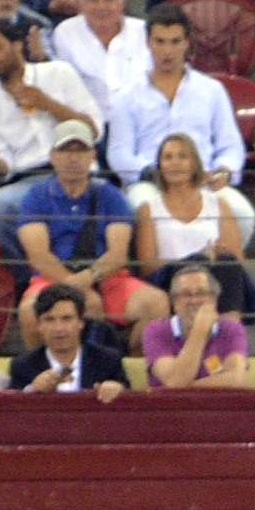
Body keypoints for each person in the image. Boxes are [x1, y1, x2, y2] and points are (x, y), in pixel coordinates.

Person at [108, 2, 255, 251]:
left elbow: (230, 145)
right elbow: (118, 152)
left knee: (242, 212)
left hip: (203, 179)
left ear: (187, 42)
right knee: (138, 207)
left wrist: (225, 170)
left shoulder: (211, 90)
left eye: (175, 41)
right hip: (151, 181)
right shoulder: (126, 96)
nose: (167, 50)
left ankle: (217, 272)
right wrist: (151, 172)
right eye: (160, 41)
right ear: (148, 42)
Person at [15, 117, 166, 348]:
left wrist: (86, 281)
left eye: (80, 150)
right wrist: (73, 289)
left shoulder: (110, 195)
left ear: (92, 156)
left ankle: (132, 368)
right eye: (65, 150)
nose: (73, 158)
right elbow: (39, 256)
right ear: (52, 157)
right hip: (52, 279)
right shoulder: (36, 197)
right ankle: (42, 374)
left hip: (106, 278)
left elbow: (117, 254)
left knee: (156, 303)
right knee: (28, 310)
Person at [0, 11, 99, 251]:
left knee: (126, 206)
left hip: (79, 171)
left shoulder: (58, 72)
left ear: (17, 44)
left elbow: (94, 131)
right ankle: (28, 276)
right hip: (27, 180)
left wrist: (49, 105)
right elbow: (7, 164)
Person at [132, 131, 255, 316]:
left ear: (194, 163)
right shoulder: (148, 209)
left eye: (182, 156)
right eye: (168, 157)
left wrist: (218, 253)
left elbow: (236, 257)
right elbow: (147, 267)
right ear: (160, 166)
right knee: (198, 262)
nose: (175, 163)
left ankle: (230, 329)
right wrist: (196, 258)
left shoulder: (218, 204)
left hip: (210, 281)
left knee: (227, 263)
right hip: (170, 279)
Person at [50, 0, 146, 119]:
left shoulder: (144, 32)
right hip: (90, 124)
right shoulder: (65, 33)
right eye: (93, 0)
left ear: (123, 2)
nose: (101, 7)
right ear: (80, 3)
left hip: (140, 121)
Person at [9, 278, 129, 396]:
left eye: (66, 319)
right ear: (39, 325)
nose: (58, 328)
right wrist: (32, 390)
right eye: (49, 320)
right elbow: (11, 409)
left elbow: (131, 403)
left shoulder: (107, 361)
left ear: (81, 322)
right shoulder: (23, 366)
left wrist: (118, 391)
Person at [141, 258, 248, 384]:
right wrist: (200, 331)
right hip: (170, 404)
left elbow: (236, 379)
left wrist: (190, 389)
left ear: (214, 299)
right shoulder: (156, 330)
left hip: (218, 404)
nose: (194, 300)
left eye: (201, 293)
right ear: (174, 302)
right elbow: (175, 381)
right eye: (186, 294)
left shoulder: (231, 328)